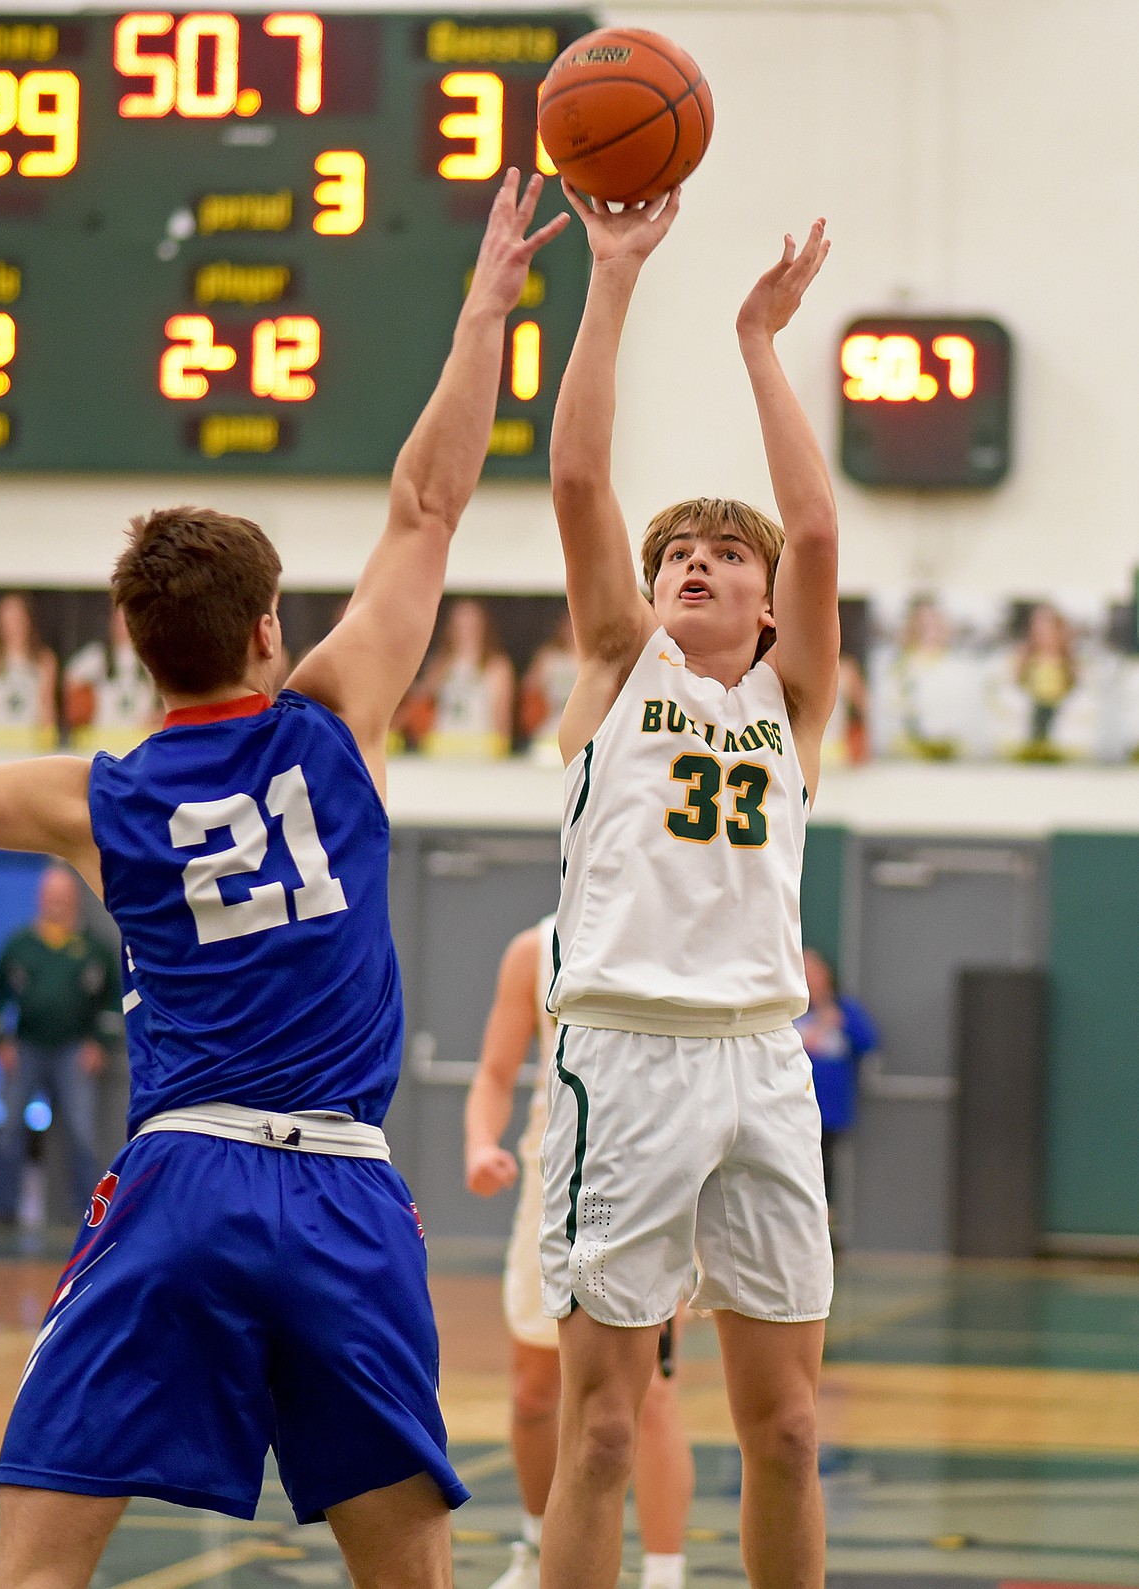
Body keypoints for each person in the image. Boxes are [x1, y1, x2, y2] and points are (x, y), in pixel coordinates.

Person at [0, 168, 568, 1589]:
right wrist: (486, 305)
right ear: (266, 630)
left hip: (179, 1180)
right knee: (405, 1574)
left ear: (135, 647)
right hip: (342, 1193)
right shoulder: (333, 721)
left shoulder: (96, 801)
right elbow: (427, 504)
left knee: (34, 1568)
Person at [539, 183, 839, 1589]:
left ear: (767, 604)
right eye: (678, 556)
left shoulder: (791, 703)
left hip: (761, 1062)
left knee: (783, 1429)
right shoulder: (617, 669)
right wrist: (612, 276)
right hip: (628, 1054)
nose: (693, 563)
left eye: (724, 555)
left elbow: (820, 531)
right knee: (602, 1430)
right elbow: (581, 483)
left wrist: (759, 343)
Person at [464, 919, 694, 1589]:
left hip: (652, 1182)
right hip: (556, 1184)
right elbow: (494, 1073)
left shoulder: (670, 933)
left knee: (650, 1394)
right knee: (535, 1392)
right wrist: (481, 1143)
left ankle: (663, 1573)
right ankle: (537, 1547)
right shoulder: (534, 950)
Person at [0, 863, 122, 1228]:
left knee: (82, 1134)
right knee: (9, 1130)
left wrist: (100, 1043)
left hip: (75, 1051)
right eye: (49, 895)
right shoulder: (20, 945)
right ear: (40, 898)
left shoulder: (94, 949)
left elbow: (113, 1002)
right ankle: (3, 1214)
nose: (55, 902)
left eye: (62, 895)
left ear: (74, 898)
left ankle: (87, 1217)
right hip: (27, 1047)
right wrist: (2, 1042)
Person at [793, 947, 879, 1239]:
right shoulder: (789, 1011)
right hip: (789, 1110)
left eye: (814, 970)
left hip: (829, 1112)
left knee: (825, 1172)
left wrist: (838, 1020)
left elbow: (869, 1042)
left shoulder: (844, 1010)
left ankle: (824, 1231)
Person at [403, 597, 516, 758]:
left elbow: (502, 718)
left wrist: (503, 753)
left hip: (480, 748)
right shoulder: (440, 663)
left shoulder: (497, 666)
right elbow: (420, 702)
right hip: (444, 745)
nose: (465, 630)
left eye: (471, 624)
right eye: (460, 624)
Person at [0, 593, 58, 757]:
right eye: (7, 616)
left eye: (17, 616)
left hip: (28, 742)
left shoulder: (44, 659)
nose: (12, 622)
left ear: (28, 619)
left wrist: (48, 744)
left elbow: (46, 705)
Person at [63, 606, 160, 755]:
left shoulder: (151, 658)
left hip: (139, 745)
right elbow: (71, 679)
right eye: (118, 620)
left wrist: (156, 716)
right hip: (102, 744)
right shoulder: (97, 655)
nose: (123, 626)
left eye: (127, 620)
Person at [519, 608, 579, 766]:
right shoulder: (548, 658)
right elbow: (529, 698)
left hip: (582, 736)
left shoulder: (597, 660)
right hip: (549, 734)